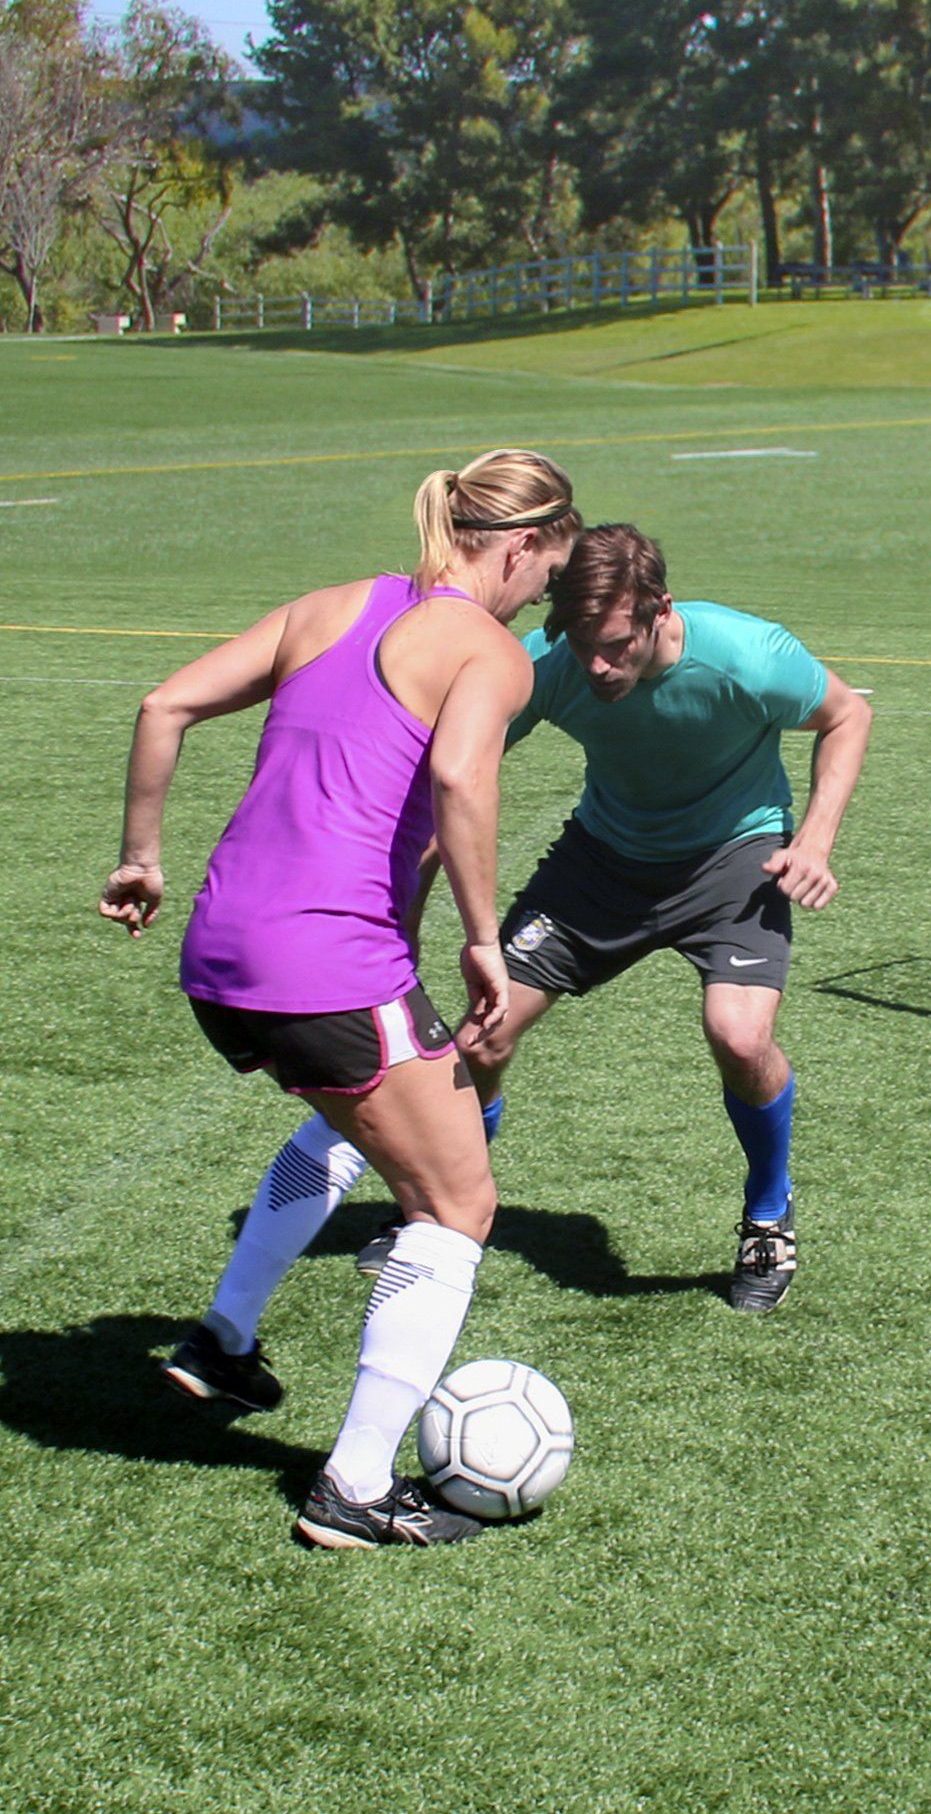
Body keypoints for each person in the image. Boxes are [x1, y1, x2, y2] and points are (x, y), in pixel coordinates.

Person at [99, 448, 579, 1549]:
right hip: (324, 959)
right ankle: (353, 1486)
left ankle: (223, 1337)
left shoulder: (330, 606)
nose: (535, 599)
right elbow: (462, 775)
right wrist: (478, 939)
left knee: (358, 1122)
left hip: (222, 952)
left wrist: (140, 857)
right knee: (458, 1205)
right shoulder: (488, 649)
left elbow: (163, 701)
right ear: (517, 547)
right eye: (542, 577)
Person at [357, 521, 871, 1311]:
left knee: (740, 1036)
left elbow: (847, 716)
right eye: (580, 643)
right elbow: (451, 772)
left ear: (660, 610)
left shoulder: (746, 655)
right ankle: (445, 1216)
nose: (595, 666)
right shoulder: (552, 665)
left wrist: (816, 838)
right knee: (482, 1037)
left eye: (615, 645)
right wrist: (402, 896)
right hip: (602, 862)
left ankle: (769, 1212)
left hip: (734, 861)